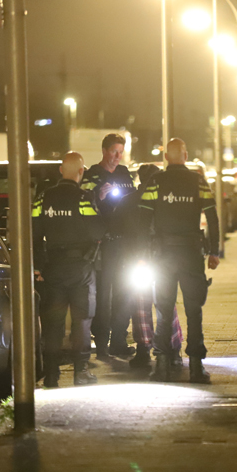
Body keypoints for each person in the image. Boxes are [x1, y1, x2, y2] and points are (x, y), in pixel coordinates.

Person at [139, 139, 220, 383]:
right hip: (191, 253)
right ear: (185, 155)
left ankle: (161, 366)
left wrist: (143, 254)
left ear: (165, 157)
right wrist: (214, 251)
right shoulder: (198, 181)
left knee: (163, 309)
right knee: (194, 310)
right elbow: (213, 217)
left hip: (162, 255)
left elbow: (143, 218)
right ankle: (196, 367)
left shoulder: (155, 181)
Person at [33, 152, 108, 387]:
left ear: (60, 171)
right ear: (81, 172)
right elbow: (97, 232)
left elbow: (33, 234)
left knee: (53, 322)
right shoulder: (84, 198)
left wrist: (37, 267)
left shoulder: (43, 198)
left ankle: (52, 374)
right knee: (82, 320)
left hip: (52, 268)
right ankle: (80, 371)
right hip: (80, 269)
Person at [115, 163, 185, 372]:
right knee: (166, 304)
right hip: (162, 259)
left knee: (140, 305)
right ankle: (173, 349)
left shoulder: (127, 202)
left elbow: (115, 229)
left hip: (136, 260)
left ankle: (144, 348)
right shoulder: (165, 200)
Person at [81, 133, 137, 360]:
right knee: (103, 295)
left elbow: (133, 199)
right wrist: (98, 196)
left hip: (124, 242)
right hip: (104, 245)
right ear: (104, 151)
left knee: (126, 291)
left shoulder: (124, 174)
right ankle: (102, 342)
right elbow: (82, 202)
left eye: (120, 152)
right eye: (114, 152)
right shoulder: (92, 175)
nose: (117, 156)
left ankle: (120, 341)